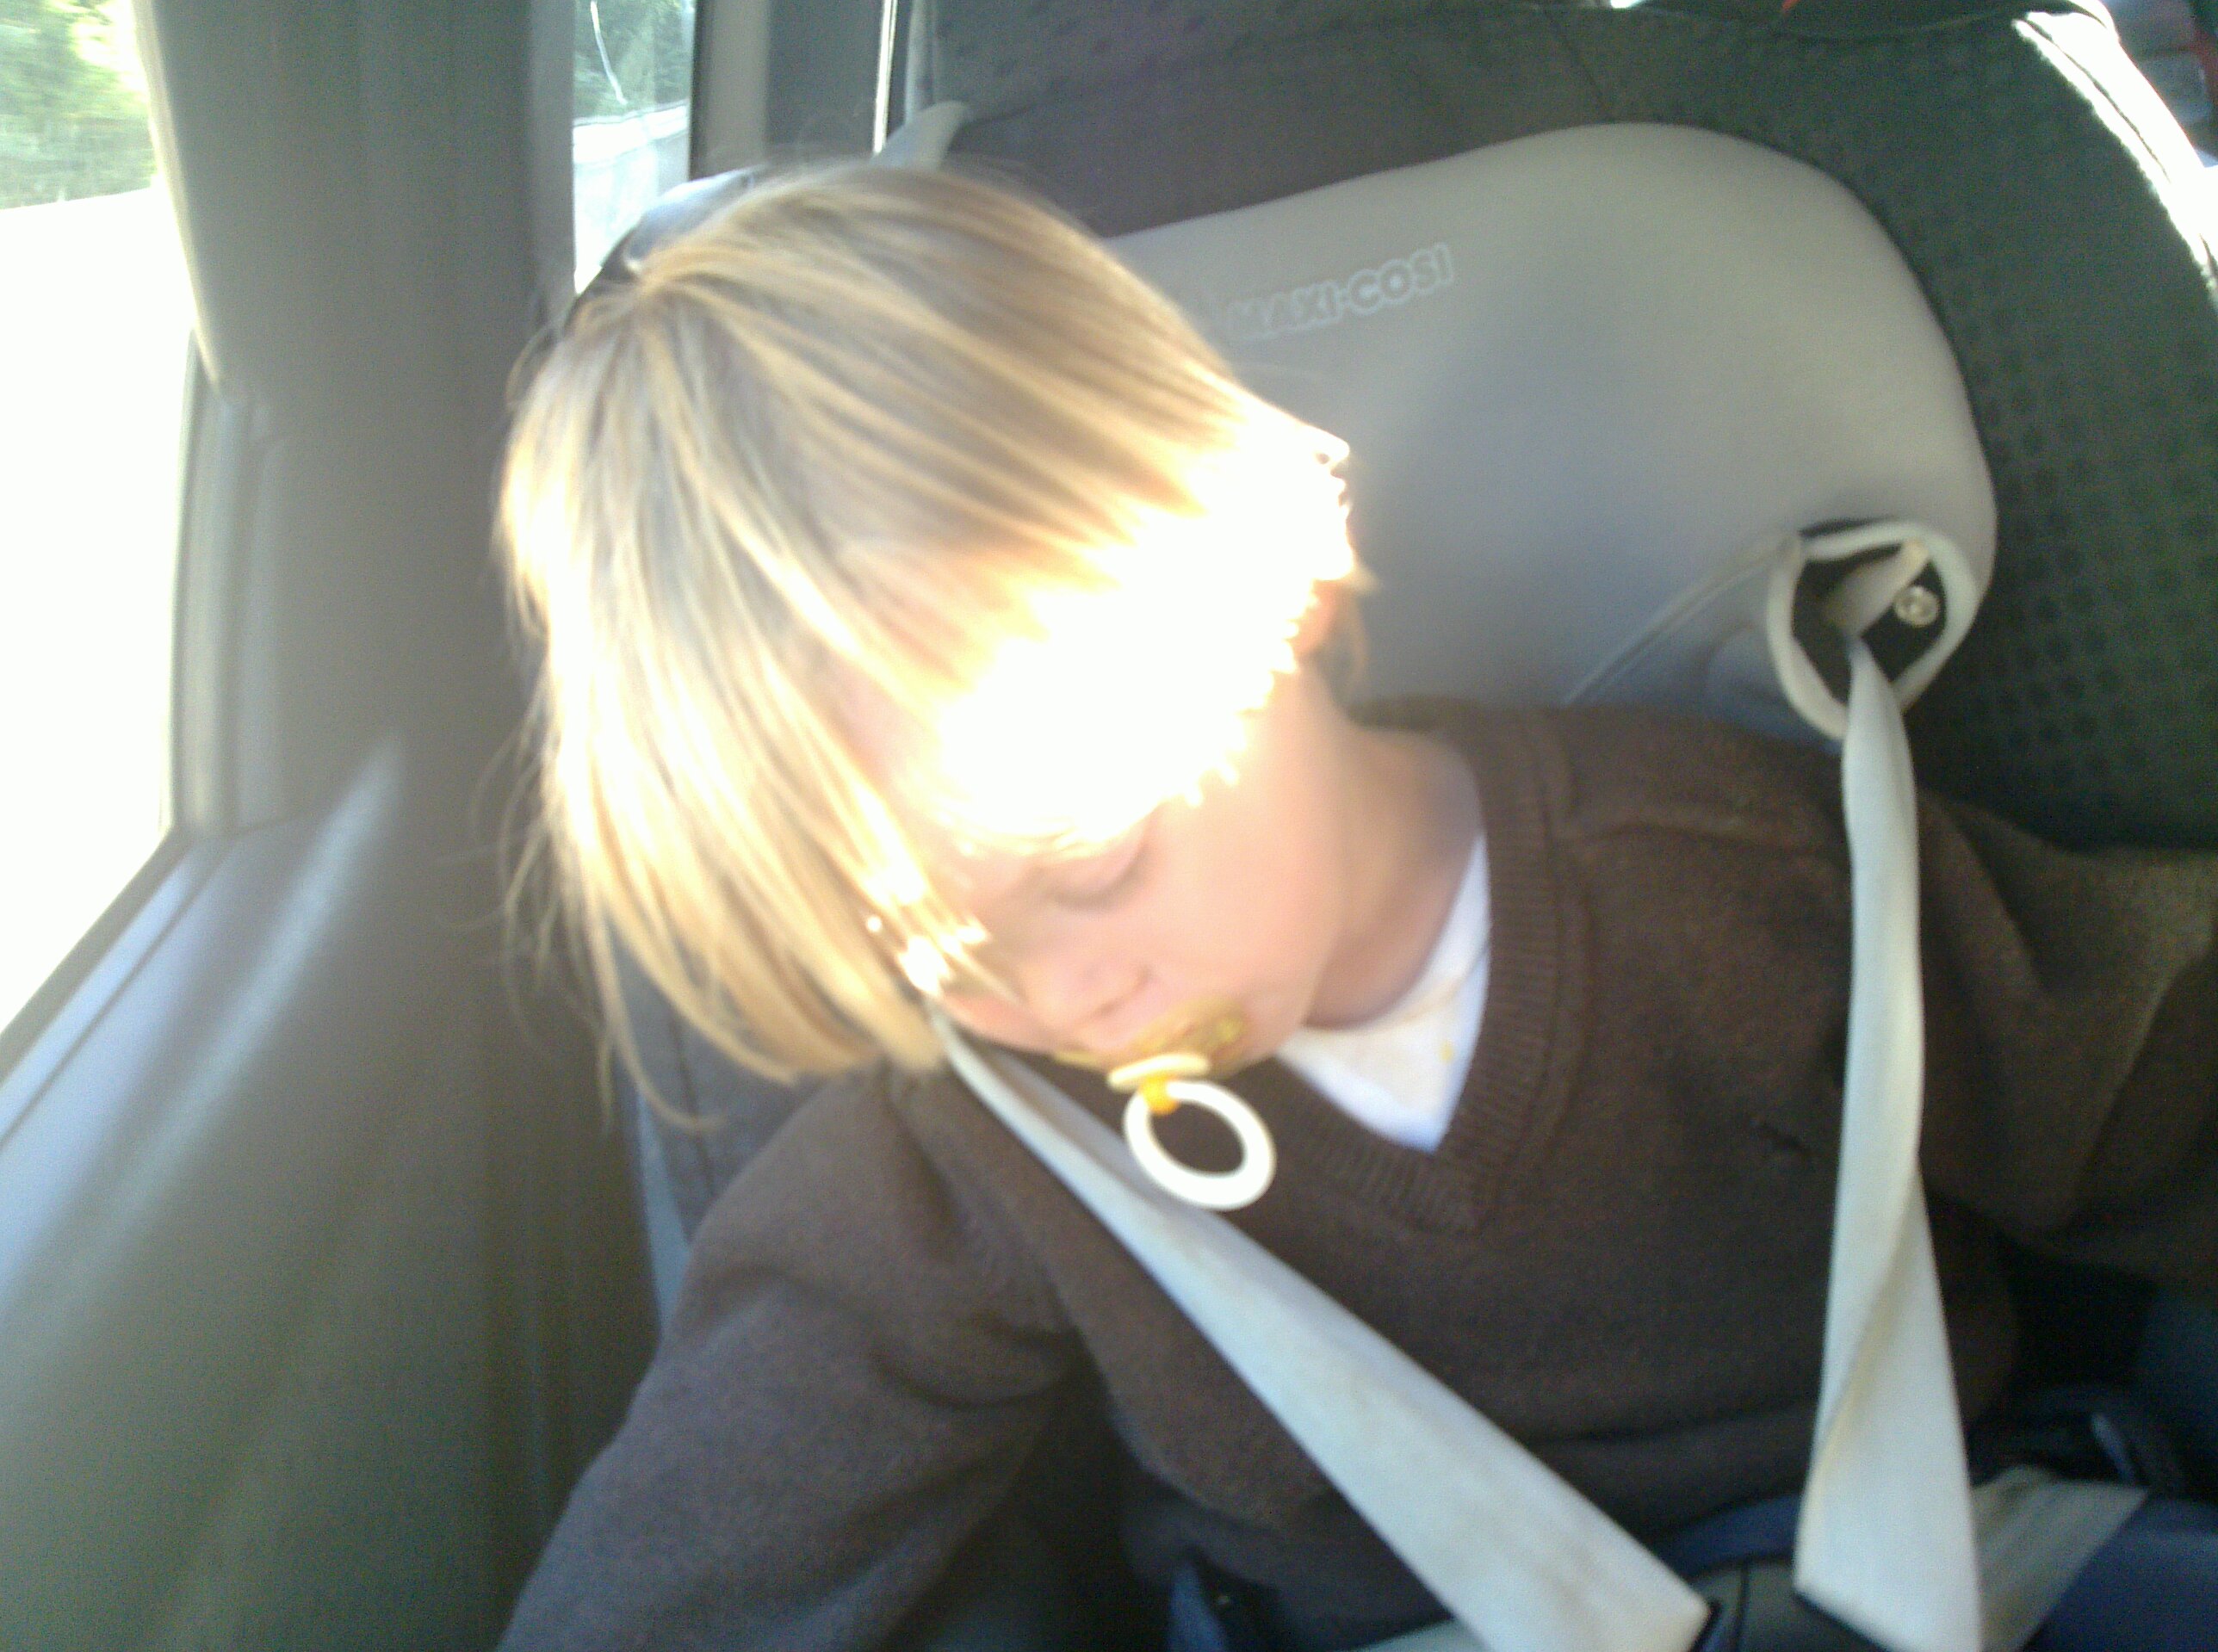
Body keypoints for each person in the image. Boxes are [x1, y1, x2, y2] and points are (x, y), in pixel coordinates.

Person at [493, 160, 2218, 1651]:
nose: (1061, 999)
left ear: (1283, 577)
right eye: (918, 950)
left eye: (1088, 866)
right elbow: (700, 1552)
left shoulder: (1731, 880)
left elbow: (2161, 1081)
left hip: (1937, 1578)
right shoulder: (969, 1149)